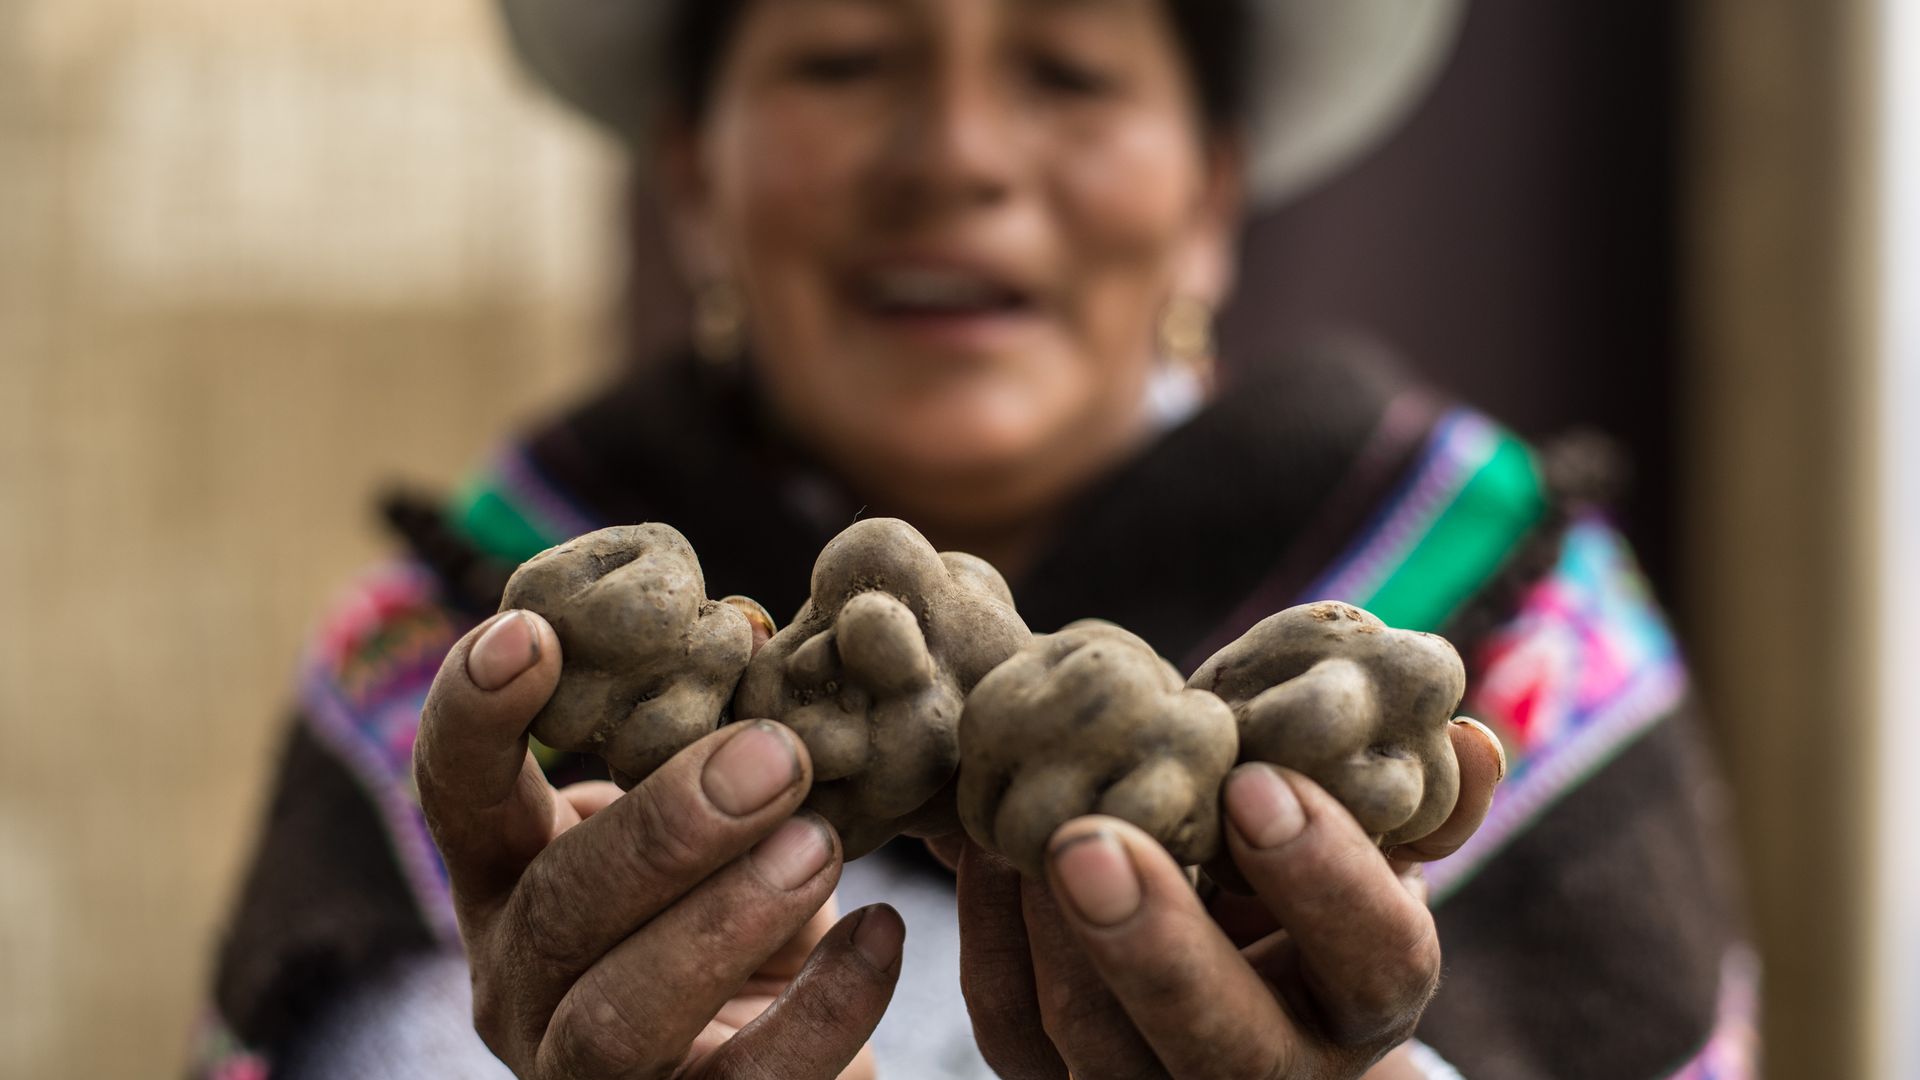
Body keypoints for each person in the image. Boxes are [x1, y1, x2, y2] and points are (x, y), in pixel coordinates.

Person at [195, 1, 1752, 1077]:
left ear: (1211, 189)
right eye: (846, 58)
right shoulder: (462, 656)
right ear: (690, 172)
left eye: (1070, 69)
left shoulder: (1510, 631)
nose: (955, 156)